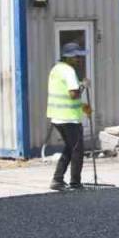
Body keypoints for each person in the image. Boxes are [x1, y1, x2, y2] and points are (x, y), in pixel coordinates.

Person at [48, 42, 91, 190]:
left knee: (69, 148)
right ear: (69, 57)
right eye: (76, 56)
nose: (79, 59)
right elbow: (73, 94)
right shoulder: (68, 71)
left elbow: (63, 95)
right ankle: (75, 182)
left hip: (57, 117)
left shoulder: (56, 69)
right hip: (69, 118)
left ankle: (58, 180)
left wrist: (83, 106)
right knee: (77, 150)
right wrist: (84, 85)